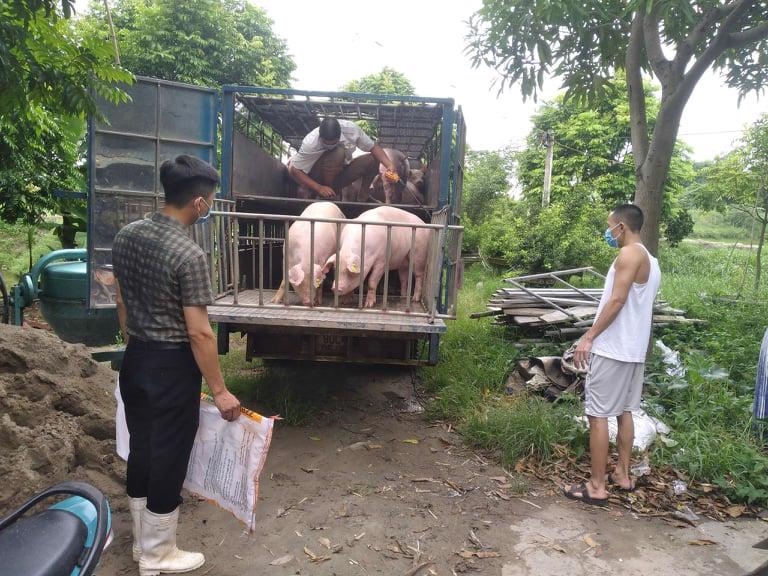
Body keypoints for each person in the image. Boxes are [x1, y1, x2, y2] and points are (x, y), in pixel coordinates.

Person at [113, 154, 241, 575]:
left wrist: (133, 336)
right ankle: (158, 555)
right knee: (169, 455)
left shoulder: (127, 236)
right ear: (200, 203)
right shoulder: (189, 255)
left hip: (136, 358)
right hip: (171, 367)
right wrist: (220, 390)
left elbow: (122, 301)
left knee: (143, 448)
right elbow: (200, 333)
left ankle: (141, 545)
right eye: (211, 200)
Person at [565, 204, 661, 506]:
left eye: (610, 226)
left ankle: (596, 486)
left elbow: (618, 300)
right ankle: (621, 474)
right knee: (624, 411)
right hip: (633, 351)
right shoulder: (651, 260)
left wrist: (589, 337)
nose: (608, 232)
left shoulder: (629, 254)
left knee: (597, 415)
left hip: (615, 349)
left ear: (621, 226)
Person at [287, 117, 398, 200]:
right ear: (320, 137)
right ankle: (328, 194)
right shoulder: (310, 142)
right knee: (338, 152)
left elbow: (373, 147)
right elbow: (294, 169)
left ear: (339, 135)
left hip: (339, 173)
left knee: (373, 159)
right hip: (317, 177)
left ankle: (363, 197)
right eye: (326, 143)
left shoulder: (351, 129)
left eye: (333, 142)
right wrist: (319, 188)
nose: (329, 145)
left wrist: (389, 165)